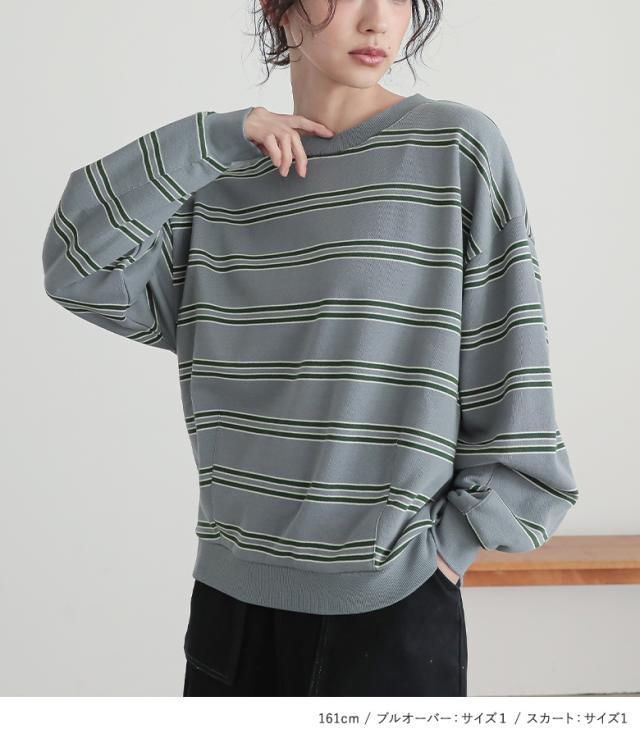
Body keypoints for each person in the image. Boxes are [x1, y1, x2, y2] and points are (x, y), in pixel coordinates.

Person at [41, 0, 579, 697]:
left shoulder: (452, 147)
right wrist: (216, 137)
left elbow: (511, 361)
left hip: (389, 605)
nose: (378, 20)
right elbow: (77, 265)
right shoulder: (218, 181)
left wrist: (449, 550)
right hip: (231, 605)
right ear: (277, 7)